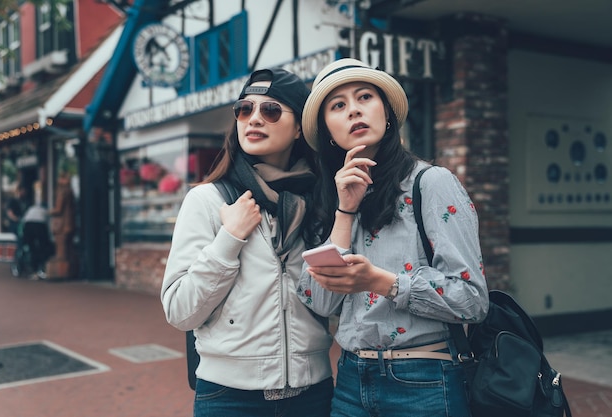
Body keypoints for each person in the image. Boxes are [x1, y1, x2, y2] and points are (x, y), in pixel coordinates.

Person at [297, 58, 489, 417]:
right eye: (338, 106)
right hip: (352, 379)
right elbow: (319, 300)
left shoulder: (431, 183)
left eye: (364, 97)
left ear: (387, 113)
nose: (353, 110)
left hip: (424, 379)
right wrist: (345, 210)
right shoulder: (331, 195)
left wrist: (381, 282)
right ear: (328, 131)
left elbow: (473, 300)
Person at [160, 68, 333, 417]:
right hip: (230, 397)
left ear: (299, 127)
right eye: (244, 109)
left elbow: (333, 303)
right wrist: (230, 239)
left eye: (270, 110)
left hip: (313, 393)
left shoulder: (320, 202)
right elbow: (179, 311)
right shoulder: (208, 200)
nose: (254, 119)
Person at [21, 202, 53, 279]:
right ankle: (42, 267)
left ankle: (32, 268)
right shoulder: (45, 211)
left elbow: (24, 220)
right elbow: (48, 225)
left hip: (28, 225)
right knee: (43, 246)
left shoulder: (31, 209)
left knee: (31, 247)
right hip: (40, 224)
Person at [6, 184, 29, 276]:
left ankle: (23, 263)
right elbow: (9, 212)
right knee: (20, 242)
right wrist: (16, 219)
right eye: (22, 191)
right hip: (16, 225)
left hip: (24, 224)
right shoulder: (13, 201)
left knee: (24, 242)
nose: (24, 193)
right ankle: (17, 264)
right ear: (18, 191)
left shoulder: (25, 201)